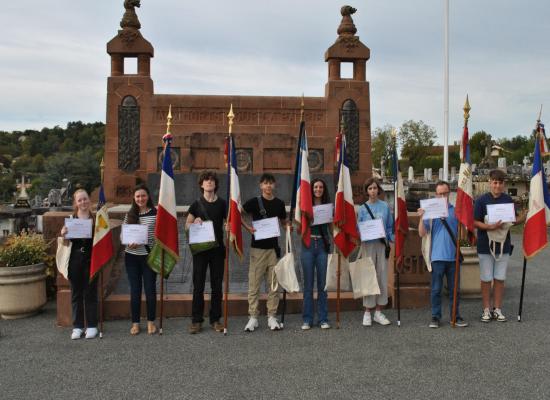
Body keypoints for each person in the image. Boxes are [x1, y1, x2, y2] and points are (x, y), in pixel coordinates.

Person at [474, 169, 524, 323]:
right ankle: (486, 309)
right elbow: (475, 221)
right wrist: (489, 227)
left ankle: (497, 308)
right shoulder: (481, 200)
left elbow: (513, 220)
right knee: (486, 278)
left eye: (500, 183)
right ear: (490, 183)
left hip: (503, 243)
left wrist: (525, 215)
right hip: (485, 243)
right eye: (495, 182)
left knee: (500, 277)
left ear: (503, 184)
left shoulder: (508, 199)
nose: (497, 185)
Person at [418, 180, 468, 328]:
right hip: (436, 256)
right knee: (436, 290)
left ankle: (455, 315)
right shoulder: (430, 212)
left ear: (449, 193)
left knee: (455, 290)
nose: (442, 196)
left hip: (453, 256)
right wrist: (421, 217)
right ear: (435, 194)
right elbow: (422, 233)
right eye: (439, 194)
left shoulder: (456, 211)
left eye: (445, 193)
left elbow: (463, 236)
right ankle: (435, 316)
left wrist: (464, 223)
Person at [242, 173, 288, 332]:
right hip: (257, 249)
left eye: (271, 183)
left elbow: (283, 222)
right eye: (265, 183)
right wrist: (247, 227)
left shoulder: (279, 203)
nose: (268, 186)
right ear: (261, 186)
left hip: (273, 250)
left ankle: (272, 316)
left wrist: (288, 227)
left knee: (273, 285)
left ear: (274, 185)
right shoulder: (254, 202)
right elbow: (237, 213)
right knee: (254, 284)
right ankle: (253, 317)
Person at [186, 171, 227, 334]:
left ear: (216, 184)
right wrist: (193, 222)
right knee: (198, 285)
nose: (209, 183)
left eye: (211, 180)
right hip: (201, 251)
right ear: (201, 184)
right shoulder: (196, 204)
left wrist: (228, 227)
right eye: (206, 180)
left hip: (217, 250)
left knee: (217, 285)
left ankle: (215, 319)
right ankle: (196, 320)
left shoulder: (223, 204)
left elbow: (229, 222)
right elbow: (186, 225)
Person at [60, 189, 98, 340]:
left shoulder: (96, 219)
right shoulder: (71, 219)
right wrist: (63, 234)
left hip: (91, 259)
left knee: (90, 293)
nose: (83, 202)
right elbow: (65, 243)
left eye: (85, 199)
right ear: (76, 203)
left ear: (89, 200)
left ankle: (92, 325)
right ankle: (77, 326)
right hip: (75, 260)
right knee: (76, 294)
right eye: (80, 200)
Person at [357, 178, 393, 326]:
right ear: (367, 191)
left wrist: (392, 238)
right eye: (370, 188)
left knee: (381, 277)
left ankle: (378, 311)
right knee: (368, 277)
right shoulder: (362, 209)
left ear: (379, 190)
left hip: (381, 245)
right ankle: (367, 311)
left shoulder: (385, 207)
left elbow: (390, 227)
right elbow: (359, 228)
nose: (373, 191)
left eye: (375, 188)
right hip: (368, 245)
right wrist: (362, 234)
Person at [123, 184, 158, 335]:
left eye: (143, 196)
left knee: (150, 290)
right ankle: (135, 323)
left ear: (148, 196)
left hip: (149, 256)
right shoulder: (130, 214)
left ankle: (151, 321)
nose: (140, 199)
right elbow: (124, 235)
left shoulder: (156, 213)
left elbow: (159, 237)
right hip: (131, 257)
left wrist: (147, 241)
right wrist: (129, 241)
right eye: (137, 196)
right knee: (135, 291)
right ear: (134, 198)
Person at [300, 178, 331, 330]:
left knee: (322, 285)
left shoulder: (328, 207)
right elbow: (298, 225)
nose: (318, 189)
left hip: (322, 246)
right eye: (316, 187)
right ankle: (307, 319)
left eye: (321, 187)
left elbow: (332, 227)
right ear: (311, 189)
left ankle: (323, 319)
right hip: (308, 245)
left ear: (324, 190)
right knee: (308, 285)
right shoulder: (305, 206)